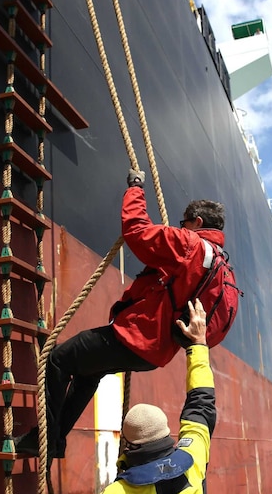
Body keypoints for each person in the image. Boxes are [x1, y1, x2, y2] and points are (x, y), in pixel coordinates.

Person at [15, 168, 228, 459]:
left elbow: (137, 231)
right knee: (87, 374)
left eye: (185, 223)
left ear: (198, 222)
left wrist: (136, 188)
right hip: (155, 351)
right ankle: (55, 440)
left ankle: (46, 440)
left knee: (57, 359)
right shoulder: (218, 262)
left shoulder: (190, 244)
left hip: (136, 337)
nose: (181, 227)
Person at [62, 298, 217, 494]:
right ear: (166, 435)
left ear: (129, 446)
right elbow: (201, 404)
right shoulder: (194, 458)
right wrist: (198, 344)